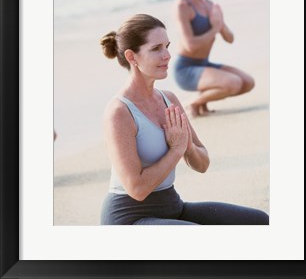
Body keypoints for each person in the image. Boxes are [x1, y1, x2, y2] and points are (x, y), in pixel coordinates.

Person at [99, 13, 268, 225]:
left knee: (259, 221)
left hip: (172, 208)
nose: (167, 55)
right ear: (132, 57)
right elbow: (137, 189)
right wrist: (176, 151)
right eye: (156, 48)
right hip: (130, 219)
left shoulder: (169, 99)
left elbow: (202, 163)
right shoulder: (119, 112)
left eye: (167, 46)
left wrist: (187, 146)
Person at [174, 0, 255, 117]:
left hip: (204, 64)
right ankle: (189, 105)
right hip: (186, 69)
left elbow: (230, 38)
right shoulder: (183, 6)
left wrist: (220, 25)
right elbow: (190, 44)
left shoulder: (209, 5)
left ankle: (200, 103)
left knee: (247, 83)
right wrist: (214, 29)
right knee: (234, 83)